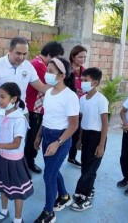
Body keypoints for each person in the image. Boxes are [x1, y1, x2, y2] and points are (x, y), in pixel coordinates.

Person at [33, 57, 79, 223]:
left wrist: (57, 142)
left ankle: (49, 212)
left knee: (49, 176)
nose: (47, 74)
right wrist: (39, 136)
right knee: (52, 170)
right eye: (47, 70)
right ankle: (65, 196)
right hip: (47, 135)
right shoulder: (49, 93)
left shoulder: (70, 96)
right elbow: (46, 116)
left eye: (51, 72)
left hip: (60, 139)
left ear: (62, 76)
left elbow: (73, 125)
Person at [0, 82, 33, 223]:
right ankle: (4, 211)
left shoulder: (19, 118)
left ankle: (18, 219)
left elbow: (16, 144)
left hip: (14, 160)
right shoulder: (1, 114)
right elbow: (0, 136)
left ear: (13, 99)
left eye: (3, 97)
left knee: (17, 191)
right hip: (1, 157)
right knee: (2, 186)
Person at [0, 36, 49, 127]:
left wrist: (58, 82)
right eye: (18, 53)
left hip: (22, 114)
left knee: (21, 141)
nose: (21, 57)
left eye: (24, 54)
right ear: (10, 50)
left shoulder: (28, 67)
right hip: (2, 114)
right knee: (2, 141)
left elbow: (41, 87)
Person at [71, 67, 108, 211]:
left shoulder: (101, 100)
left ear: (95, 82)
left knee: (90, 168)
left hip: (97, 136)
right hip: (85, 135)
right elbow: (82, 119)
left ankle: (84, 196)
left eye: (85, 80)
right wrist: (80, 138)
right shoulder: (82, 99)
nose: (82, 82)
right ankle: (88, 189)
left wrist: (101, 145)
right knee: (86, 166)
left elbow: (105, 124)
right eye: (82, 79)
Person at [25, 41, 64, 174]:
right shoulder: (39, 65)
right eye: (56, 59)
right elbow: (46, 86)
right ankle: (28, 163)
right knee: (31, 139)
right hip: (34, 108)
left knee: (33, 138)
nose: (56, 64)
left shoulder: (38, 63)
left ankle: (29, 162)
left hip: (37, 107)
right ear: (49, 55)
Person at [67, 45, 87, 168]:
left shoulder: (85, 71)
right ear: (73, 56)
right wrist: (74, 92)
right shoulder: (67, 70)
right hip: (68, 107)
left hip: (80, 107)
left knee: (77, 133)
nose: (82, 59)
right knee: (65, 131)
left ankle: (72, 157)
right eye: (80, 57)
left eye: (84, 57)